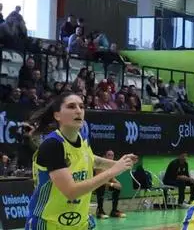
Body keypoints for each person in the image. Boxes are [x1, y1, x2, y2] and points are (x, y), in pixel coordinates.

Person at [25, 92, 137, 230]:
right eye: (71, 106)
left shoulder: (82, 138)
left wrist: (118, 163)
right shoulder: (53, 145)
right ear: (57, 115)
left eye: (81, 106)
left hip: (80, 223)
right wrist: (113, 171)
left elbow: (90, 159)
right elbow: (71, 191)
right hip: (49, 224)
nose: (78, 111)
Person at [94, 150, 126, 219]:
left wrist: (118, 184)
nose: (111, 157)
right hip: (94, 185)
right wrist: (111, 184)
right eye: (109, 155)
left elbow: (112, 179)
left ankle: (114, 211)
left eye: (112, 155)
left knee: (117, 188)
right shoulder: (99, 165)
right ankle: (100, 211)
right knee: (101, 186)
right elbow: (98, 180)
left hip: (105, 184)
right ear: (104, 156)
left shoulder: (110, 167)